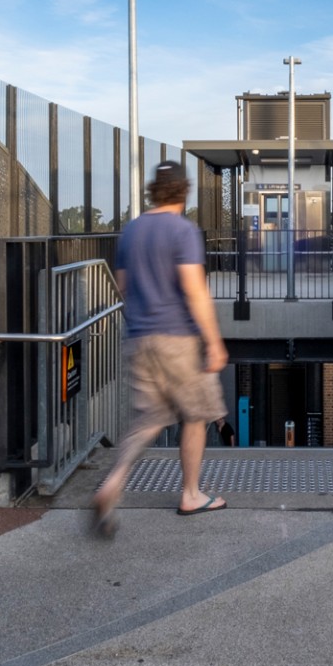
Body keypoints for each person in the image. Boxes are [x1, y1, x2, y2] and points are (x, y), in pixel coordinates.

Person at [90, 161, 229, 537]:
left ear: (154, 190)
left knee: (149, 419)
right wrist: (214, 342)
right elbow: (195, 290)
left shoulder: (132, 231)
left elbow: (122, 286)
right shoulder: (183, 231)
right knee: (197, 414)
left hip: (138, 337)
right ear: (183, 191)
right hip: (177, 338)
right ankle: (190, 494)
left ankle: (112, 482)